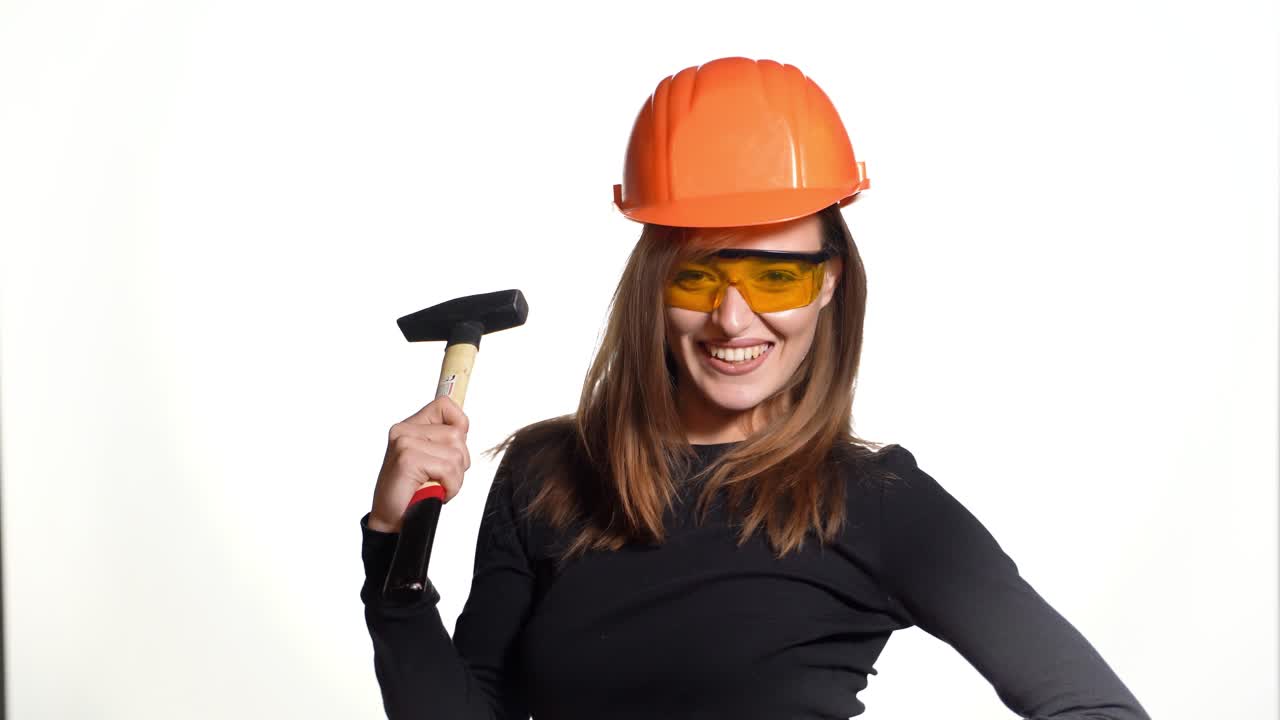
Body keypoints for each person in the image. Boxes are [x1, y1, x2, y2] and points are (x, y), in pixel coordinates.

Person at [359, 57, 1151, 720]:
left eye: (775, 274)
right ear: (651, 285)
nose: (732, 318)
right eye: (698, 274)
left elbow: (1094, 709)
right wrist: (395, 548)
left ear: (829, 284)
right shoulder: (546, 474)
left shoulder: (877, 503)